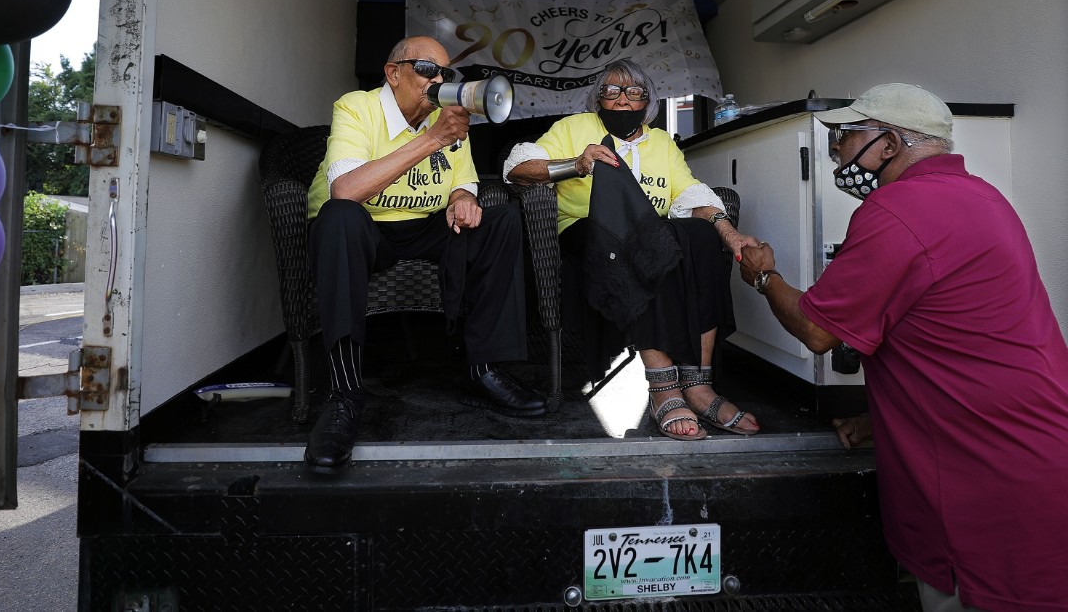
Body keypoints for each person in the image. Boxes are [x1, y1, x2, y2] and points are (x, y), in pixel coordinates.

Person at [737, 83, 1068, 612]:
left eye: (845, 137)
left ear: (888, 143)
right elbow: (958, 339)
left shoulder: (895, 210)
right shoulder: (986, 197)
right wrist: (880, 418)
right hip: (1039, 452)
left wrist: (764, 275)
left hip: (982, 483)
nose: (838, 151)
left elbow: (819, 332)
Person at [304, 35, 545, 472]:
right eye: (425, 68)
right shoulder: (356, 107)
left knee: (502, 219)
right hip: (361, 228)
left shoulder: (448, 117)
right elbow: (346, 190)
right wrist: (433, 139)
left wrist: (462, 197)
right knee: (339, 215)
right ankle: (343, 394)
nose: (437, 79)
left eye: (445, 72)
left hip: (424, 224)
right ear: (393, 73)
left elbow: (464, 177)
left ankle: (484, 369)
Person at [505, 59, 760, 440]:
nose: (623, 100)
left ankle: (698, 383)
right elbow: (516, 168)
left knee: (699, 237)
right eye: (612, 91)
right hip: (587, 235)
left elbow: (688, 192)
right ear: (598, 98)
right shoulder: (574, 128)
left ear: (648, 101)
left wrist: (728, 232)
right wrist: (575, 164)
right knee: (649, 244)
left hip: (651, 235)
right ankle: (663, 390)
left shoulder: (660, 141)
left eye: (634, 92)